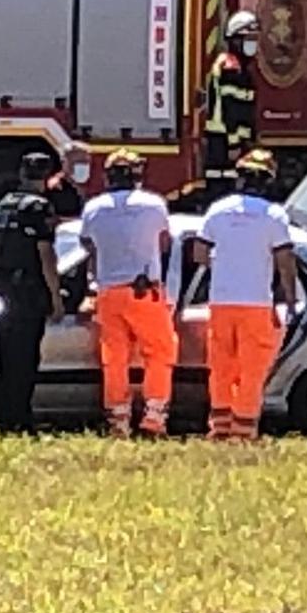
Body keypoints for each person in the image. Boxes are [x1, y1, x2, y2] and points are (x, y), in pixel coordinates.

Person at [193, 147, 298, 440]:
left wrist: (225, 264)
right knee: (252, 368)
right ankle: (244, 428)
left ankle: (220, 427)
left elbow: (200, 253)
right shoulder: (274, 216)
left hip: (221, 301)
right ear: (268, 181)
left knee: (221, 366)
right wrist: (289, 298)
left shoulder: (218, 210)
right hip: (256, 303)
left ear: (239, 179)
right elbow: (285, 261)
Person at [78, 148, 179, 438]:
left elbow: (88, 246)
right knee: (160, 351)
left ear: (107, 176)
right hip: (144, 292)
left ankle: (118, 421)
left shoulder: (94, 208)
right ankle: (154, 417)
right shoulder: (154, 205)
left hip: (109, 292)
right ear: (138, 176)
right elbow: (163, 243)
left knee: (115, 358)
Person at [0, 152, 66, 432]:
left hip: (4, 293)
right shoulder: (40, 208)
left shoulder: (6, 204)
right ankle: (20, 419)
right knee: (26, 360)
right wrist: (56, 298)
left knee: (5, 359)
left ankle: (3, 418)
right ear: (47, 177)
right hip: (28, 294)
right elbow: (46, 256)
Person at [202, 12, 261, 200]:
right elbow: (231, 111)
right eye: (248, 38)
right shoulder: (230, 67)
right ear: (235, 40)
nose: (253, 44)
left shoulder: (240, 67)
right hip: (223, 141)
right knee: (223, 187)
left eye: (255, 38)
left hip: (227, 141)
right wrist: (234, 143)